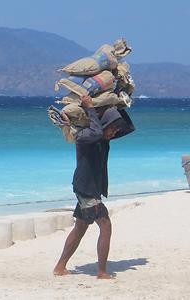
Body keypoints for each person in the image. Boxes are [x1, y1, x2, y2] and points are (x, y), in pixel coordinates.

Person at [53, 94, 134, 279]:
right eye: (112, 128)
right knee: (105, 225)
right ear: (103, 124)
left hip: (90, 188)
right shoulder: (85, 137)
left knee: (80, 228)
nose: (114, 133)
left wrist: (116, 103)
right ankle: (102, 272)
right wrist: (90, 108)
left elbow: (127, 128)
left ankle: (60, 267)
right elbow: (97, 131)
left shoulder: (103, 138)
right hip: (86, 188)